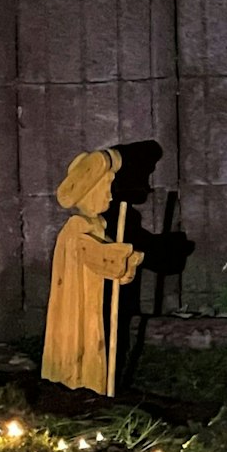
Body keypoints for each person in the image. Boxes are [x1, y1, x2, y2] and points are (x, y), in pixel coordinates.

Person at [42, 149, 142, 394]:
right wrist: (120, 257)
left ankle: (86, 387)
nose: (110, 195)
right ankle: (73, 382)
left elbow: (103, 253)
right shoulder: (77, 226)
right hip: (76, 299)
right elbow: (94, 254)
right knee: (78, 338)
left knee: (90, 335)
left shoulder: (96, 224)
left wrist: (124, 261)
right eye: (105, 188)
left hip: (89, 296)